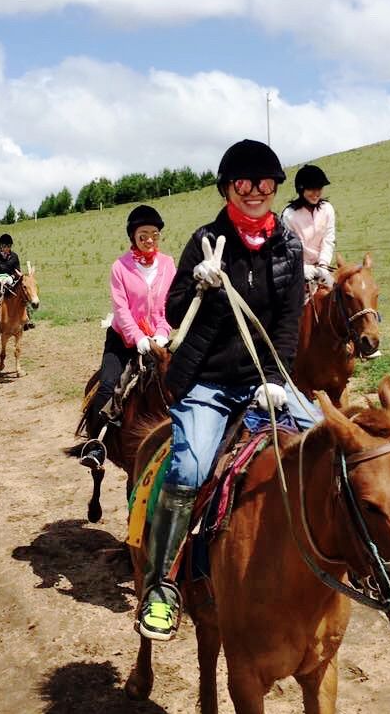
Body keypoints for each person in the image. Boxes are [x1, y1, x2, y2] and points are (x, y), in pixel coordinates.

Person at [136, 139, 319, 642]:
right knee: (191, 467)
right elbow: (174, 314)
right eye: (245, 182)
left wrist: (278, 382)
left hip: (265, 382)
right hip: (209, 385)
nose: (256, 191)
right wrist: (199, 284)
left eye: (265, 182)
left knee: (329, 440)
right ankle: (161, 586)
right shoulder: (205, 240)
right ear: (227, 187)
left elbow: (287, 321)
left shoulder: (288, 244)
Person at [79, 206, 176, 471]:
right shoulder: (119, 267)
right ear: (133, 237)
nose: (149, 240)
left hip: (159, 339)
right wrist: (138, 339)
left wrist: (162, 332)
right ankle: (96, 444)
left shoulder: (168, 264)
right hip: (123, 339)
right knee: (108, 385)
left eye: (154, 235)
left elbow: (169, 305)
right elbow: (121, 310)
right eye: (143, 235)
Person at [281, 164, 336, 289]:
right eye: (311, 189)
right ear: (301, 189)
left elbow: (328, 239)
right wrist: (301, 267)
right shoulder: (289, 215)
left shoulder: (327, 209)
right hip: (297, 269)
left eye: (319, 188)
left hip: (322, 267)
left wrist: (323, 264)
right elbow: (287, 249)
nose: (316, 193)